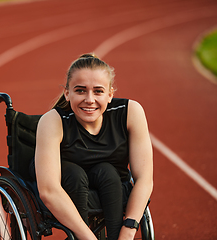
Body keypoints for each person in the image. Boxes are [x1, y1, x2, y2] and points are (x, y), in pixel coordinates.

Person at [33, 54, 153, 240]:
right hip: (68, 185)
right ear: (67, 93)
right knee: (74, 174)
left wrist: (128, 231)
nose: (89, 99)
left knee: (108, 171)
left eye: (98, 91)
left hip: (111, 185)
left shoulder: (131, 112)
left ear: (110, 94)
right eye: (80, 91)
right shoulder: (52, 121)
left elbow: (144, 179)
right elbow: (48, 190)